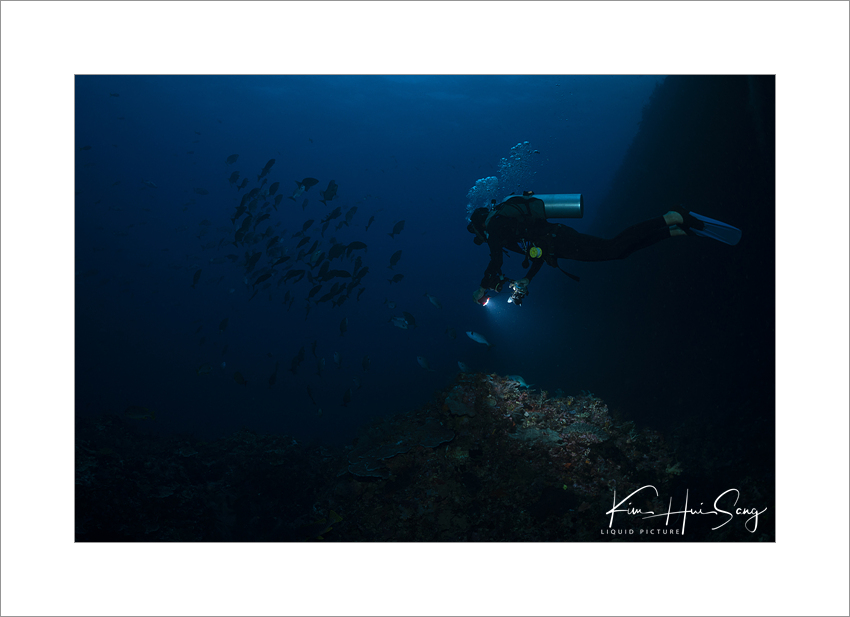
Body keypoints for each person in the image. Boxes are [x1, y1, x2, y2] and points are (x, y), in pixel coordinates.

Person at [468, 193, 740, 306]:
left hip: (560, 240)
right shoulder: (508, 226)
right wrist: (527, 279)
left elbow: (495, 260)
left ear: (482, 225)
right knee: (618, 252)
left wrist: (482, 287)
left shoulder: (497, 228)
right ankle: (672, 230)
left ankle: (670, 217)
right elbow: (537, 251)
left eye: (479, 234)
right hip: (557, 241)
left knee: (613, 247)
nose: (482, 238)